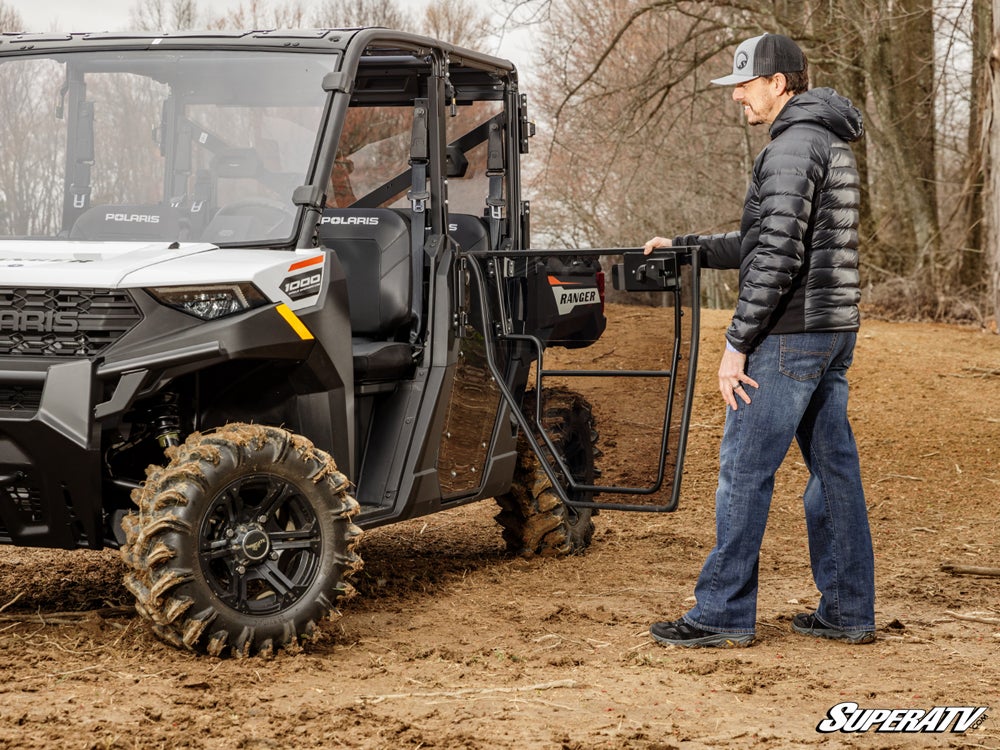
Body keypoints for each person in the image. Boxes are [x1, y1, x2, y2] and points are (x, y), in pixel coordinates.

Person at [643, 33, 875, 647]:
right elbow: (766, 238)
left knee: (743, 472)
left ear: (779, 83)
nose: (738, 97)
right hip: (831, 329)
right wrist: (688, 247)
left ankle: (720, 614)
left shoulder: (792, 147)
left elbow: (776, 254)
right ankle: (849, 610)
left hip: (790, 334)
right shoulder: (824, 140)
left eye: (746, 84)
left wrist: (737, 343)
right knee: (833, 473)